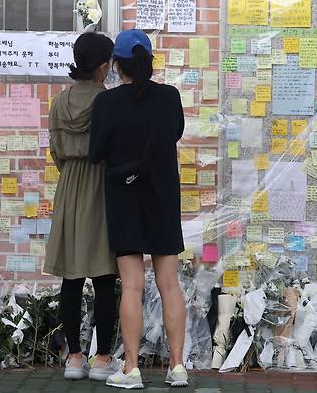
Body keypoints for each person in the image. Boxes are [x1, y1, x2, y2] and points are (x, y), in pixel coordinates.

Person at [89, 29, 188, 389]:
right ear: (149, 59)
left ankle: (131, 370)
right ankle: (177, 367)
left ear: (116, 65)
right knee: (169, 284)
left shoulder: (107, 103)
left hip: (124, 197)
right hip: (162, 196)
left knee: (131, 286)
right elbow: (174, 133)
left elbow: (96, 151)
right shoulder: (169, 97)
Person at [43, 32, 121, 382]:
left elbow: (57, 151)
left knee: (71, 277)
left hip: (70, 187)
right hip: (102, 186)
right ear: (103, 67)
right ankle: (103, 358)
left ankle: (74, 358)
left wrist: (72, 171)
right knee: (105, 277)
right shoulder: (109, 101)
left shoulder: (59, 102)